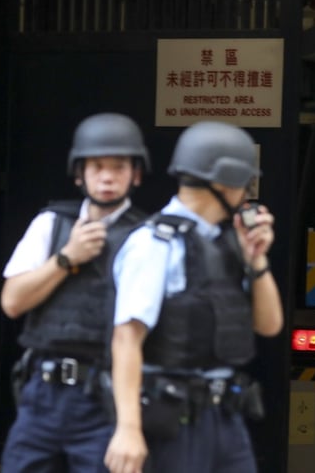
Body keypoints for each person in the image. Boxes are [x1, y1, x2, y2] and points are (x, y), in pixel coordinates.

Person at [103, 121, 283, 473]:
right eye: (244, 182)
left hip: (225, 416)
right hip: (173, 418)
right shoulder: (155, 243)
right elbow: (126, 339)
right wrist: (128, 428)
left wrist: (257, 261)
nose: (246, 192)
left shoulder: (227, 241)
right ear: (225, 182)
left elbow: (270, 324)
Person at [0, 112, 151, 472]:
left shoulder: (148, 237)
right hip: (42, 392)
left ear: (137, 174)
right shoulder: (50, 224)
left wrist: (131, 425)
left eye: (119, 166)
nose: (108, 176)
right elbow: (12, 302)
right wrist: (66, 258)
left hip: (107, 396)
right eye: (97, 166)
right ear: (79, 173)